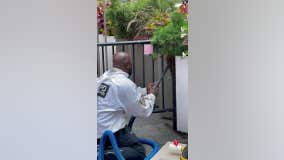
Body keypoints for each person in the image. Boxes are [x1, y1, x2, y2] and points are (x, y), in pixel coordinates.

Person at [97, 52, 160, 160]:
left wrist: (146, 90)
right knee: (138, 152)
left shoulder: (103, 78)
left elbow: (128, 94)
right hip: (110, 134)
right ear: (128, 65)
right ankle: (100, 155)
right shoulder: (123, 83)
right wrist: (152, 95)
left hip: (97, 131)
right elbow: (143, 111)